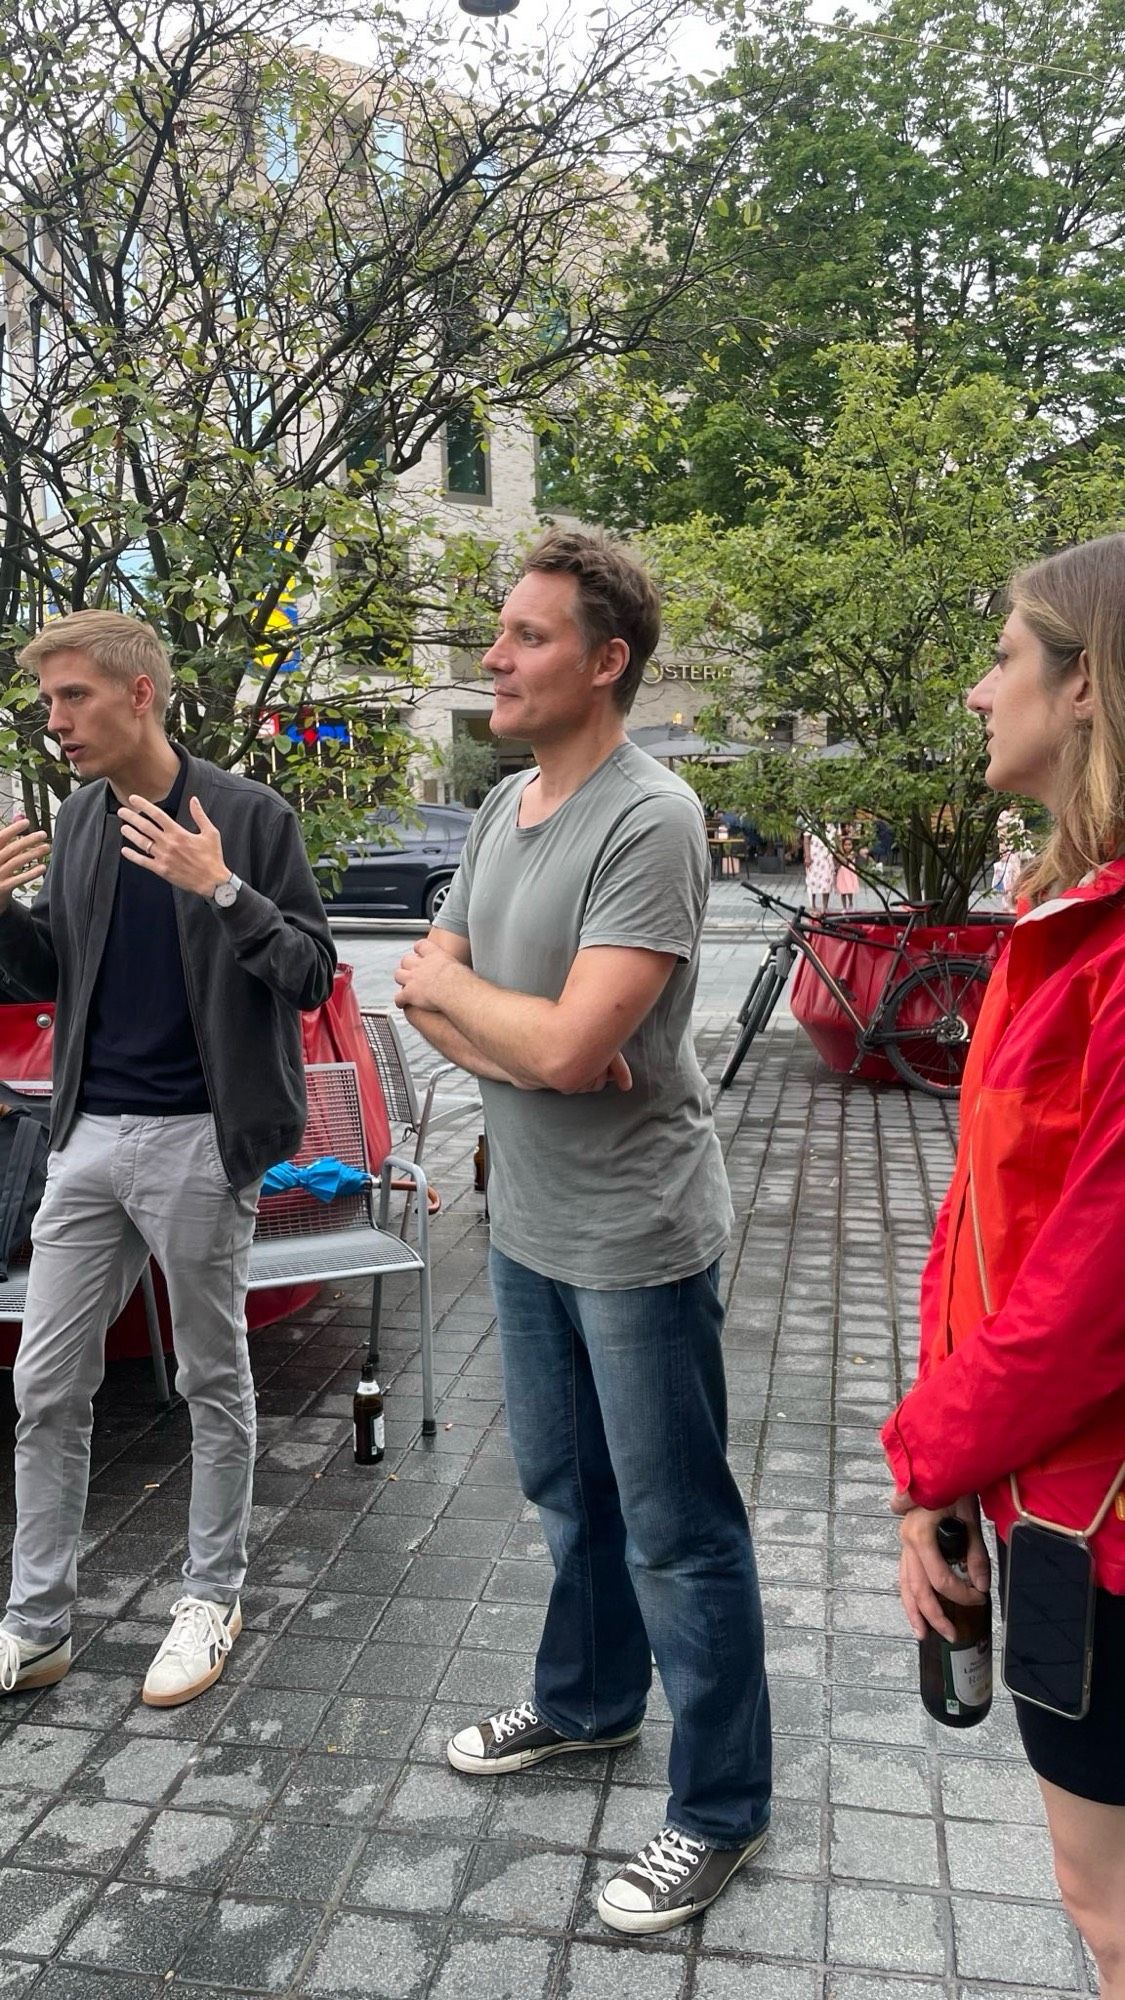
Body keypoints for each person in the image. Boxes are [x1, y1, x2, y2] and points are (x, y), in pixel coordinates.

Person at [393, 527, 771, 1935]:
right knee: (568, 1494)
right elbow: (424, 989)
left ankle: (722, 1809)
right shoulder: (504, 809)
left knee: (678, 1530)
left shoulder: (648, 813)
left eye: (529, 636)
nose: (495, 655)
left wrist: (534, 1039)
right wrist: (536, 1041)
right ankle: (590, 1702)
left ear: (606, 662)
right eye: (500, 631)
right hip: (526, 1215)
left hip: (635, 1231)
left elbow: (536, 1037)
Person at [0, 610, 335, 1707]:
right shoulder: (86, 821)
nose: (55, 723)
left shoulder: (246, 813)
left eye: (72, 698)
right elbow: (55, 965)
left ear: (139, 692)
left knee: (210, 1376)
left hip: (203, 1135)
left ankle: (210, 1593)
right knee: (45, 1382)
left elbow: (313, 976)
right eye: (48, 702)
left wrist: (222, 887)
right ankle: (37, 1620)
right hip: (88, 1135)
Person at [881, 534, 1125, 1997]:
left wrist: (925, 1457)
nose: (979, 692)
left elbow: (1092, 1294)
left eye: (1005, 657)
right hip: (1036, 1503)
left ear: (1085, 683)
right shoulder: (1062, 920)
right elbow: (983, 1221)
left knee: (1108, 1909)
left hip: (1095, 1526)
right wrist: (943, 1465)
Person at [802, 823, 834, 911]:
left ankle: (825, 907)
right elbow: (806, 840)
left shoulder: (832, 822)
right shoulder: (810, 821)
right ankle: (812, 905)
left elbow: (836, 839)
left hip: (827, 856)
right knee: (812, 881)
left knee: (827, 881)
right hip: (814, 857)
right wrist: (807, 856)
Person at [834, 824, 859, 910]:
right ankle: (844, 907)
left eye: (849, 845)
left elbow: (846, 861)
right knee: (843, 891)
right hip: (842, 874)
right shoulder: (840, 854)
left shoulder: (853, 853)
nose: (847, 847)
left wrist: (839, 854)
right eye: (845, 845)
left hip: (849, 873)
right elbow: (837, 862)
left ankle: (851, 903)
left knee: (849, 890)